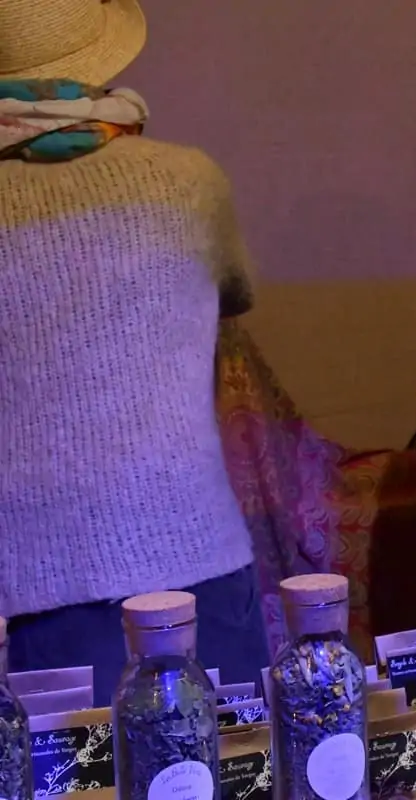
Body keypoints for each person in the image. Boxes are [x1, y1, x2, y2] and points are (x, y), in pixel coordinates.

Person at [0, 0, 269, 704]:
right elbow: (234, 289)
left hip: (23, 585)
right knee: (227, 757)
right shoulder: (188, 183)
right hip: (193, 561)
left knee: (63, 766)